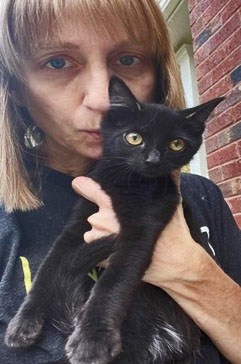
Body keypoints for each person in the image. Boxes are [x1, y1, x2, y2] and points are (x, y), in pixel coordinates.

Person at [0, 0, 240, 363]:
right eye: (58, 62)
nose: (101, 100)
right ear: (16, 87)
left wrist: (192, 271)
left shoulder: (201, 197)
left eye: (128, 60)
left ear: (159, 75)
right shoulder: (7, 221)